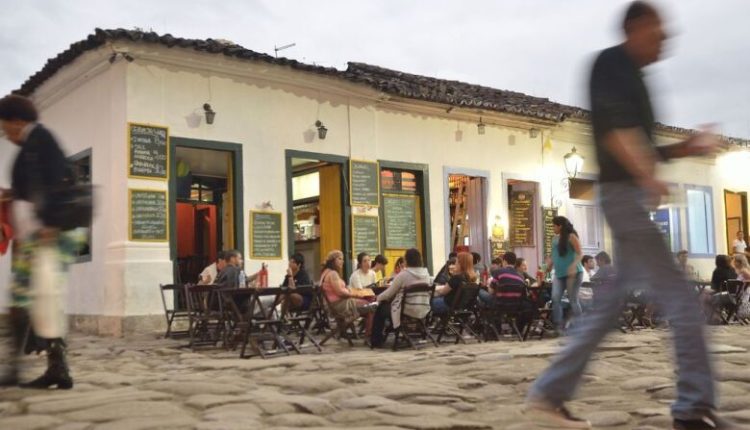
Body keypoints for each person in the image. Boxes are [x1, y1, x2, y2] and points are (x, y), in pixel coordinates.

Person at [525, 3, 734, 429]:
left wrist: (686, 148)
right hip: (624, 197)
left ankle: (550, 394)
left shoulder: (635, 77)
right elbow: (616, 133)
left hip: (627, 197)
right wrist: (646, 176)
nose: (665, 40)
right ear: (636, 27)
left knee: (608, 307)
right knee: (682, 299)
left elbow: (643, 145)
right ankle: (694, 407)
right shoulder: (611, 65)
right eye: (659, 31)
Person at [0, 94, 85, 389]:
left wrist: (50, 223)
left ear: (16, 121)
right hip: (38, 236)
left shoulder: (40, 139)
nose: (6, 134)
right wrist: (10, 194)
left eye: (5, 127)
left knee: (37, 297)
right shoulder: (31, 145)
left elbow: (59, 179)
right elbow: (36, 185)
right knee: (36, 297)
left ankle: (37, 368)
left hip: (50, 234)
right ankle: (52, 367)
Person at [370, 248, 431, 347]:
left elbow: (389, 293)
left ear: (407, 260)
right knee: (389, 306)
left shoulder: (404, 275)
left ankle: (376, 341)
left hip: (406, 310)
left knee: (381, 309)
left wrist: (377, 298)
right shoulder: (426, 274)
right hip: (423, 308)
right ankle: (400, 331)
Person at [320, 250, 374, 335]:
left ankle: (346, 329)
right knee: (370, 306)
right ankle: (369, 335)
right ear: (333, 260)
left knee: (368, 306)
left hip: (332, 304)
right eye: (339, 259)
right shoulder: (333, 274)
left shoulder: (326, 272)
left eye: (342, 259)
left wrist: (349, 290)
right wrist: (354, 294)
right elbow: (340, 292)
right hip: (338, 305)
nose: (342, 261)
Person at [549, 216, 584, 333]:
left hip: (573, 273)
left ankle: (580, 326)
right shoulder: (554, 239)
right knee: (555, 298)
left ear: (560, 226)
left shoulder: (571, 237)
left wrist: (573, 265)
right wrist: (548, 266)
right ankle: (558, 326)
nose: (553, 228)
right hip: (559, 274)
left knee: (573, 300)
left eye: (554, 226)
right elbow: (553, 255)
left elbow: (580, 254)